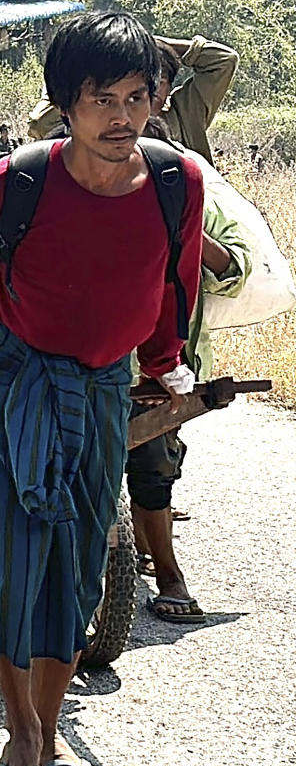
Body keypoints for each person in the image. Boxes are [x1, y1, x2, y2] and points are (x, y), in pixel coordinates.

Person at [0, 12, 204, 766]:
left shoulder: (179, 182)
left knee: (78, 568)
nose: (121, 117)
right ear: (64, 105)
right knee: (12, 559)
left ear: (158, 100)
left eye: (137, 97)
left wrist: (163, 362)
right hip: (14, 382)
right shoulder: (10, 186)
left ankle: (50, 722)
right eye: (100, 97)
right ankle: (22, 736)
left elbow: (174, 282)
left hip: (105, 387)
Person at [128, 117, 253, 622]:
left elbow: (234, 276)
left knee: (156, 468)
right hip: (92, 362)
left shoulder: (195, 196)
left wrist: (184, 225)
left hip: (165, 369)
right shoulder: (88, 189)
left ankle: (167, 570)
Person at [29, 34, 238, 164]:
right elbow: (42, 123)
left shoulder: (184, 115)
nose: (152, 90)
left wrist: (152, 42)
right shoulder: (102, 122)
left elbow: (224, 61)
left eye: (160, 81)